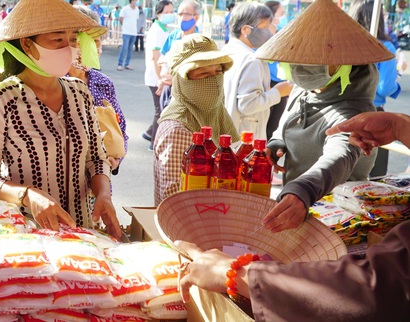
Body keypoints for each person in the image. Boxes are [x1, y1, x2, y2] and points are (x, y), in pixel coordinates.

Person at [175, 111, 410, 322]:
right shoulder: (304, 92)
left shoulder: (349, 108)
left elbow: (377, 290)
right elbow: (282, 128)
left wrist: (239, 273)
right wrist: (401, 127)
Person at [0, 0, 120, 238]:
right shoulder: (0, 99)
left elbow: (96, 157)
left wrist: (104, 195)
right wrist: (28, 196)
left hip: (83, 229)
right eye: (57, 40)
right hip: (28, 233)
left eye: (73, 39)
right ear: (27, 46)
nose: (69, 48)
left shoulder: (80, 92)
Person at [255, 0, 391, 232]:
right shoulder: (304, 89)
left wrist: (304, 189)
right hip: (296, 208)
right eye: (298, 59)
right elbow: (284, 123)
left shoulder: (356, 114)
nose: (303, 67)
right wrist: (277, 143)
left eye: (317, 60)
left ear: (345, 64)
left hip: (338, 218)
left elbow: (340, 156)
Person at [153, 34, 237, 205]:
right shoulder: (179, 129)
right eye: (203, 74)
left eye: (218, 71)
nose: (213, 80)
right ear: (182, 80)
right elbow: (174, 201)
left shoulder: (216, 113)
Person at [222, 2, 293, 140]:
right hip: (244, 139)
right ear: (246, 30)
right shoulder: (251, 60)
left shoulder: (227, 51)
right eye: (265, 26)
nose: (270, 31)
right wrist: (278, 92)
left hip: (227, 135)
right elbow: (248, 105)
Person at [348, 0, 402, 178]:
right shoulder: (385, 48)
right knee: (371, 178)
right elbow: (385, 88)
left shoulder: (343, 45)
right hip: (373, 115)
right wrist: (396, 83)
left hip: (341, 112)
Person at [71, 5, 128, 174]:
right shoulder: (51, 81)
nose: (96, 46)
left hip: (100, 181)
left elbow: (121, 128)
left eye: (98, 39)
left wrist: (116, 160)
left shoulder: (103, 82)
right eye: (87, 39)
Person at [143, 0, 175, 148]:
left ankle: (150, 133)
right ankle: (153, 142)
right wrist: (160, 79)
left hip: (158, 75)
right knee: (160, 110)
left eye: (171, 12)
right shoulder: (157, 30)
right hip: (156, 76)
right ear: (158, 13)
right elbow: (155, 57)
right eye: (166, 12)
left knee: (160, 108)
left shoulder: (163, 29)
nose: (170, 15)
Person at [263, 0, 290, 138]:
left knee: (275, 123)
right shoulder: (261, 35)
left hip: (281, 81)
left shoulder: (280, 32)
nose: (283, 16)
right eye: (281, 13)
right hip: (268, 82)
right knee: (266, 121)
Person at [117, 0, 139, 70]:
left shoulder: (137, 9)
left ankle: (127, 64)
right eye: (136, 0)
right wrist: (124, 25)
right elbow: (121, 18)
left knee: (130, 49)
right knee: (124, 47)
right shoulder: (125, 8)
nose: (136, 1)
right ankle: (120, 64)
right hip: (126, 32)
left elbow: (136, 19)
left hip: (134, 32)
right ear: (132, 0)